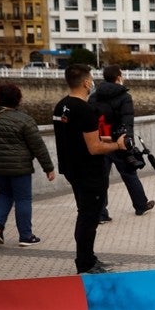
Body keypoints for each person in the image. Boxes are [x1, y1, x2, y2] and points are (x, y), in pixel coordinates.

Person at [53, 64, 129, 274]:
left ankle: (87, 257)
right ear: (87, 82)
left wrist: (110, 138)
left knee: (84, 214)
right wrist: (118, 145)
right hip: (89, 171)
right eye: (91, 79)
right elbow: (94, 147)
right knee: (89, 218)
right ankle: (85, 263)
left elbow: (81, 137)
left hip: (71, 169)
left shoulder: (61, 107)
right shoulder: (85, 110)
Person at [0, 83, 55, 246]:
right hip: (20, 167)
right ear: (19, 99)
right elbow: (37, 146)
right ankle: (25, 236)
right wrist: (48, 168)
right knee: (23, 199)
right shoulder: (24, 119)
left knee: (4, 195)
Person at [89, 65, 154, 221]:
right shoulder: (124, 97)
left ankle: (100, 214)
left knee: (100, 178)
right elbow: (127, 121)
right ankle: (140, 206)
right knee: (130, 174)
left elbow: (90, 121)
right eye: (122, 75)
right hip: (118, 142)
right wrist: (127, 141)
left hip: (99, 142)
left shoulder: (93, 97)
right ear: (118, 77)